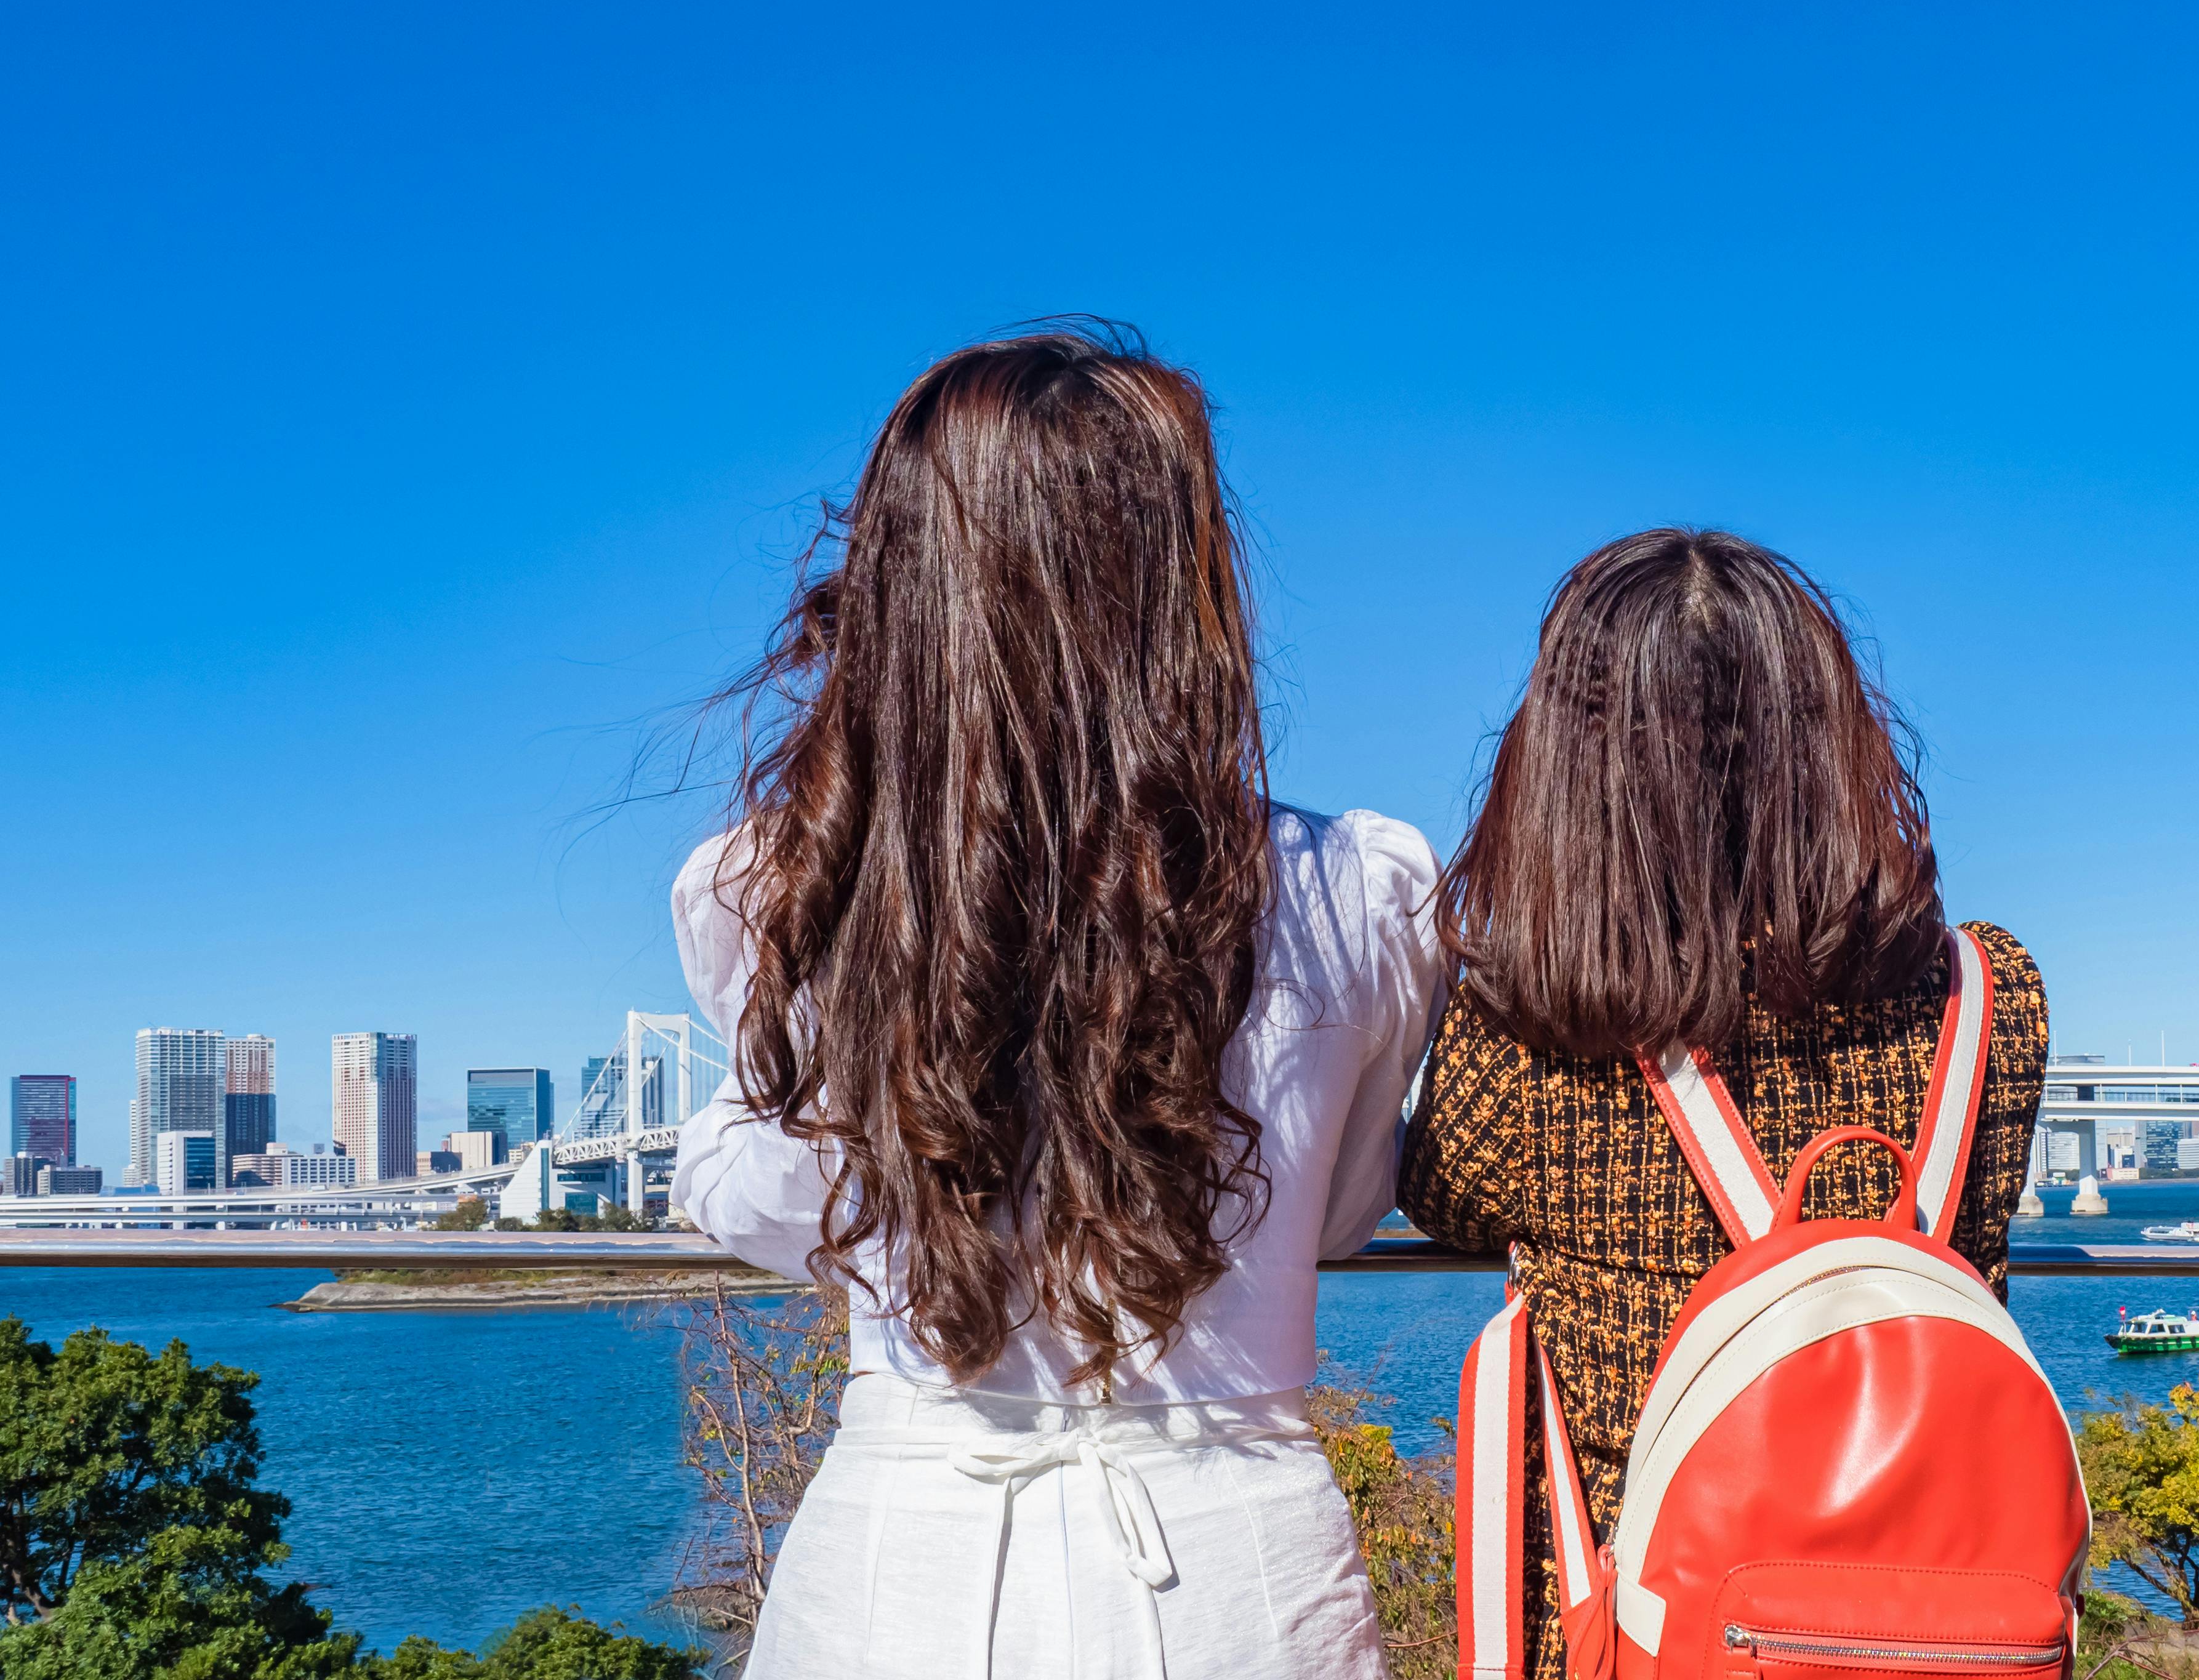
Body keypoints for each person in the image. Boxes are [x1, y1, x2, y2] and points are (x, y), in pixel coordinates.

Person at [669, 323, 1449, 1679]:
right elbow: (1331, 1208)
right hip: (1237, 1575)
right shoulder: (1357, 891)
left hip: (896, 1568)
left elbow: (803, 1208)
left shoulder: (775, 890)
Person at [1396, 528, 2048, 1680]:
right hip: (1947, 1638)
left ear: (1562, 767)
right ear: (1835, 743)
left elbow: (1442, 1196)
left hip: (1636, 1636)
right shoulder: (1990, 997)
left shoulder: (1535, 1026)